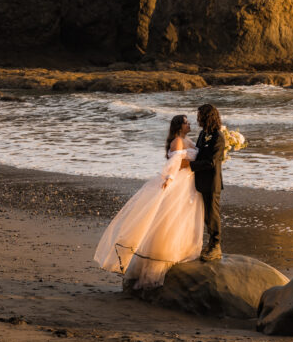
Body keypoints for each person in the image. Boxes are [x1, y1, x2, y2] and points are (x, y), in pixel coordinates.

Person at [94, 114, 204, 289]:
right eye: (186, 122)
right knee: (171, 219)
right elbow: (174, 163)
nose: (189, 123)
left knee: (183, 219)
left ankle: (180, 253)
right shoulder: (177, 141)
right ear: (179, 126)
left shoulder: (187, 139)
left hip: (188, 182)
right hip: (179, 182)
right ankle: (161, 262)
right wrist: (169, 179)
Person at [182, 102, 225, 262]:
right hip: (200, 180)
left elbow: (211, 162)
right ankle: (209, 244)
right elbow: (200, 153)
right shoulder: (203, 134)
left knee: (212, 215)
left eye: (200, 115)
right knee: (205, 215)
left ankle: (216, 246)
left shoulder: (218, 137)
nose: (198, 118)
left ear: (207, 116)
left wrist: (190, 165)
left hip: (212, 182)